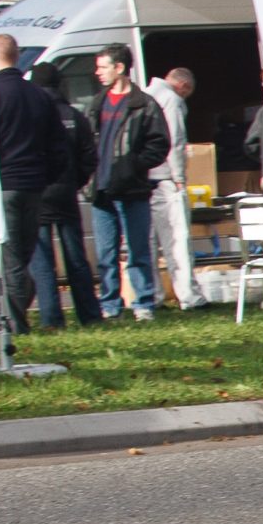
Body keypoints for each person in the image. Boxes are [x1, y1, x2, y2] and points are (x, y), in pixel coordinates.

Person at [0, 32, 64, 335]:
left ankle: (10, 323)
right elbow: (58, 145)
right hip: (33, 186)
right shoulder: (39, 95)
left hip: (2, 185)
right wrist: (47, 178)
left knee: (6, 259)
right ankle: (6, 316)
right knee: (21, 255)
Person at [87, 44, 169, 321]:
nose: (97, 72)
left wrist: (133, 164)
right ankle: (110, 305)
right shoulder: (96, 103)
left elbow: (159, 145)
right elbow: (88, 142)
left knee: (138, 250)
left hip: (132, 188)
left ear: (119, 68)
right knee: (105, 253)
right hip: (101, 189)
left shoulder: (144, 104)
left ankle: (143, 302)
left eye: (102, 67)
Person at [27, 62, 103, 328]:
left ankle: (51, 319)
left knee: (43, 260)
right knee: (76, 257)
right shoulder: (74, 116)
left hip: (37, 192)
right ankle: (90, 315)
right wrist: (74, 181)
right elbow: (90, 156)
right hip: (66, 192)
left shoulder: (32, 116)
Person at [146, 65, 204, 310]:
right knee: (177, 240)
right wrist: (180, 177)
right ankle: (189, 296)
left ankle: (151, 295)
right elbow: (176, 140)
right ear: (184, 87)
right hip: (166, 179)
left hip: (143, 180)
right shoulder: (172, 100)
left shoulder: (144, 94)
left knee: (148, 242)